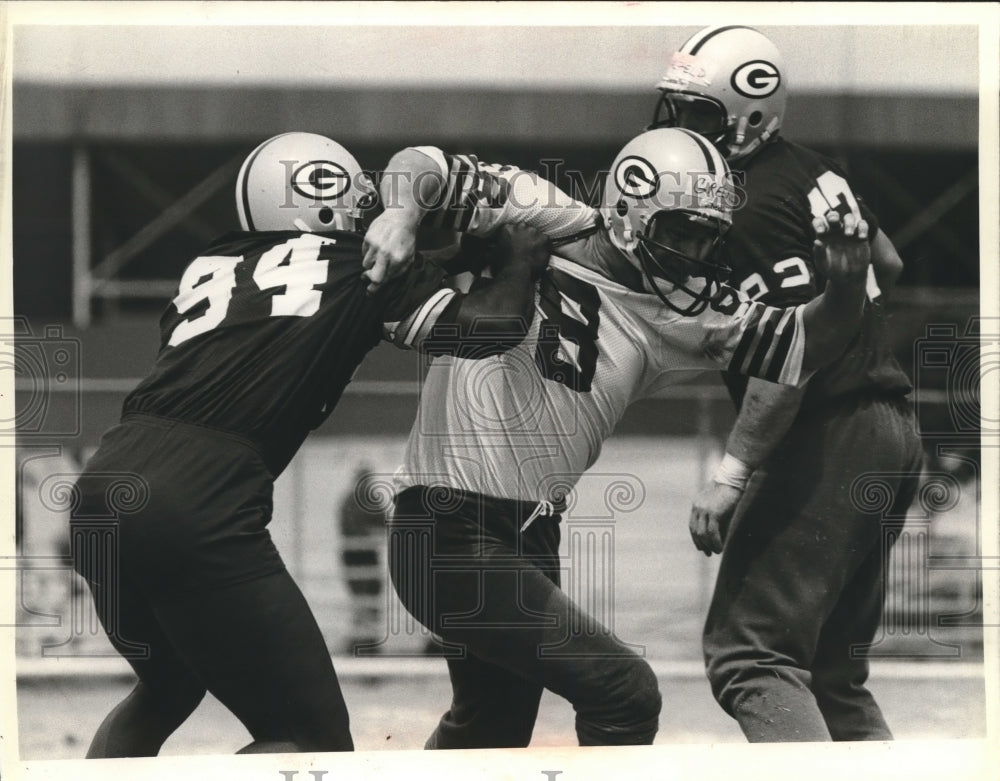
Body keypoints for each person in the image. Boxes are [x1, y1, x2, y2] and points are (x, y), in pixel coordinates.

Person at [361, 126, 875, 748]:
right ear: (628, 212)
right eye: (679, 231)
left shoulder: (677, 312)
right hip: (446, 523)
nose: (691, 252)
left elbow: (801, 345)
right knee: (623, 691)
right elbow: (423, 162)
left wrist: (844, 287)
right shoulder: (550, 214)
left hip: (528, 532)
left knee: (490, 729)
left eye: (703, 237)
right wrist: (400, 211)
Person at [69, 131, 550, 756]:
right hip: (197, 497)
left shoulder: (213, 263)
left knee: (165, 688)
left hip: (104, 487)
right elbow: (493, 328)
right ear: (325, 198)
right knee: (308, 740)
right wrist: (518, 260)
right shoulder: (355, 266)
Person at [650, 26, 924, 741]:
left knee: (751, 654)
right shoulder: (811, 168)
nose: (681, 127)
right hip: (887, 421)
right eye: (677, 108)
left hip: (824, 430)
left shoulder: (743, 199)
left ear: (750, 113)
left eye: (699, 112)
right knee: (832, 675)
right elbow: (886, 263)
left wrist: (731, 473)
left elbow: (790, 355)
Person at [337, 463, 388, 654]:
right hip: (356, 557)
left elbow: (386, 524)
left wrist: (374, 534)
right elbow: (352, 531)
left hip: (368, 557)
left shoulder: (370, 500)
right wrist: (374, 534)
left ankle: (364, 644)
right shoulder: (351, 502)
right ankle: (362, 645)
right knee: (363, 602)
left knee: (369, 602)